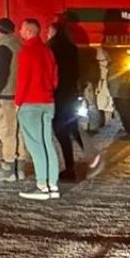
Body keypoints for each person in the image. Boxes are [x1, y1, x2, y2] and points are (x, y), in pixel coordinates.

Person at [15, 18, 60, 200]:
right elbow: (54, 80)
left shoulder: (26, 52)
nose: (19, 32)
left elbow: (23, 80)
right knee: (48, 143)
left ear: (29, 32)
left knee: (35, 145)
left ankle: (41, 186)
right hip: (48, 102)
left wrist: (18, 102)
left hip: (30, 104)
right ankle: (53, 185)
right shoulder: (48, 51)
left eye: (22, 29)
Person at [0, 18, 28, 182]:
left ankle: (8, 169)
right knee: (19, 133)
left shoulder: (3, 47)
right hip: (18, 96)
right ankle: (20, 169)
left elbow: (2, 74)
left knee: (7, 132)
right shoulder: (18, 44)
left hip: (6, 97)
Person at [48, 20, 84, 181]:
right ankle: (89, 157)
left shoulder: (50, 48)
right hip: (71, 94)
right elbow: (77, 73)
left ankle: (69, 169)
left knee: (61, 132)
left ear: (54, 32)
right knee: (73, 128)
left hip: (57, 95)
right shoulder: (72, 48)